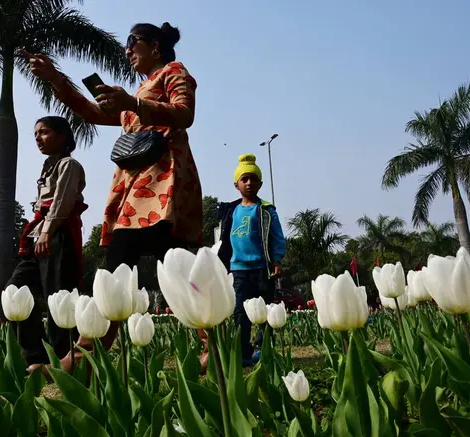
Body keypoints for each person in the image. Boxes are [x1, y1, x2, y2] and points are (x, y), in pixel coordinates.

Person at [26, 22, 203, 376]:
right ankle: (86, 357)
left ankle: (83, 359)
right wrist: (56, 80)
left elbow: (185, 114)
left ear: (154, 45)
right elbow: (91, 113)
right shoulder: (137, 89)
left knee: (154, 264)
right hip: (136, 186)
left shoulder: (173, 71)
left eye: (132, 43)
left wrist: (133, 102)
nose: (127, 50)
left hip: (164, 183)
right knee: (142, 264)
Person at [5, 116, 87, 366]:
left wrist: (46, 233)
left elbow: (62, 201)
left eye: (44, 132)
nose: (38, 138)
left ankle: (65, 357)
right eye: (35, 134)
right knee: (14, 292)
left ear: (62, 136)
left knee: (58, 298)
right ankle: (36, 354)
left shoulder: (69, 165)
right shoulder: (48, 167)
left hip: (56, 234)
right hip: (38, 235)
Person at [200, 154, 286, 370]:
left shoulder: (266, 210)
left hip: (262, 269)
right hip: (238, 270)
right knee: (240, 313)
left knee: (264, 311)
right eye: (244, 179)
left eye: (253, 179)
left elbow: (276, 236)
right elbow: (224, 240)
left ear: (261, 183)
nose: (249, 184)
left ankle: (262, 348)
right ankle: (243, 353)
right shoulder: (231, 211)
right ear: (236, 184)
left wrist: (277, 259)